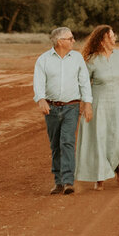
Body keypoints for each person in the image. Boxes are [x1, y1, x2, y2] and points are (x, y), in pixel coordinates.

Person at [76, 25, 119, 190]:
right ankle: (100, 177)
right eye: (111, 37)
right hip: (100, 104)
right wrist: (87, 105)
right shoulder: (91, 60)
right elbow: (84, 84)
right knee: (101, 139)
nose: (114, 39)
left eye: (114, 36)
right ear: (102, 40)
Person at [32, 26, 92, 195]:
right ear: (60, 42)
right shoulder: (43, 59)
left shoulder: (77, 58)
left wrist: (87, 103)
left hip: (71, 106)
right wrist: (41, 99)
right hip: (51, 108)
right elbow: (38, 82)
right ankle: (58, 182)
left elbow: (84, 82)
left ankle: (68, 181)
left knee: (67, 141)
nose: (73, 41)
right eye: (70, 38)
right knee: (55, 144)